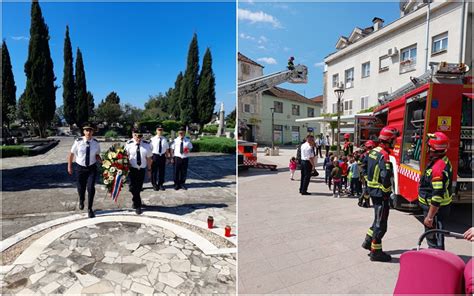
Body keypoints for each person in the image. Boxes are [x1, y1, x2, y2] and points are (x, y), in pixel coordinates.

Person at [361, 126, 399, 262]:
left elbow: (364, 167)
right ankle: (376, 252)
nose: (395, 143)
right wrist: (388, 194)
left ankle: (367, 241)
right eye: (394, 140)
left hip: (372, 190)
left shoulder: (373, 152)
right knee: (381, 224)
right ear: (388, 140)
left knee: (377, 219)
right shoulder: (384, 155)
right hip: (380, 194)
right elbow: (386, 176)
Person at [418, 132, 453, 250]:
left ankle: (437, 264)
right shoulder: (442, 160)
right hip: (438, 209)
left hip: (436, 210)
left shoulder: (438, 169)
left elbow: (437, 196)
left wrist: (430, 216)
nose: (427, 149)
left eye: (429, 146)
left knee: (434, 240)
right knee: (434, 238)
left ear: (433, 149)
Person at [68, 123, 101, 218]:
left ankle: (90, 208)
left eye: (90, 130)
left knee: (91, 188)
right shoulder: (78, 141)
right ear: (84, 131)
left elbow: (97, 155)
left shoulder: (96, 143)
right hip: (80, 168)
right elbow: (71, 154)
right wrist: (69, 166)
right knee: (80, 188)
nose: (89, 132)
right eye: (87, 130)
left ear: (93, 131)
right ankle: (81, 199)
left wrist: (102, 162)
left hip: (92, 168)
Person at [125, 128, 153, 215]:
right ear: (133, 135)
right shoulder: (128, 144)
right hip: (132, 169)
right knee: (133, 188)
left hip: (141, 170)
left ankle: (135, 201)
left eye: (140, 136)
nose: (138, 138)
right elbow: (125, 157)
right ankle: (138, 206)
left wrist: (149, 170)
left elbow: (148, 158)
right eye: (136, 135)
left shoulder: (146, 145)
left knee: (138, 187)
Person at [150, 126, 170, 191]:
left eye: (161, 130)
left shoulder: (165, 139)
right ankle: (154, 184)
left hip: (162, 157)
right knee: (154, 172)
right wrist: (150, 158)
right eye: (159, 130)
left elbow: (167, 149)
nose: (160, 131)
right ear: (156, 131)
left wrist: (167, 158)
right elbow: (150, 149)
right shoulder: (152, 139)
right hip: (155, 156)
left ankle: (160, 184)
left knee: (162, 171)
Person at [358, 140, 376, 208]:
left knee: (367, 188)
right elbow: (360, 165)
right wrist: (363, 175)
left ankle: (364, 201)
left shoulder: (365, 154)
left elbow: (360, 164)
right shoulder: (366, 155)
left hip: (366, 174)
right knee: (367, 189)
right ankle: (365, 202)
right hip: (366, 174)